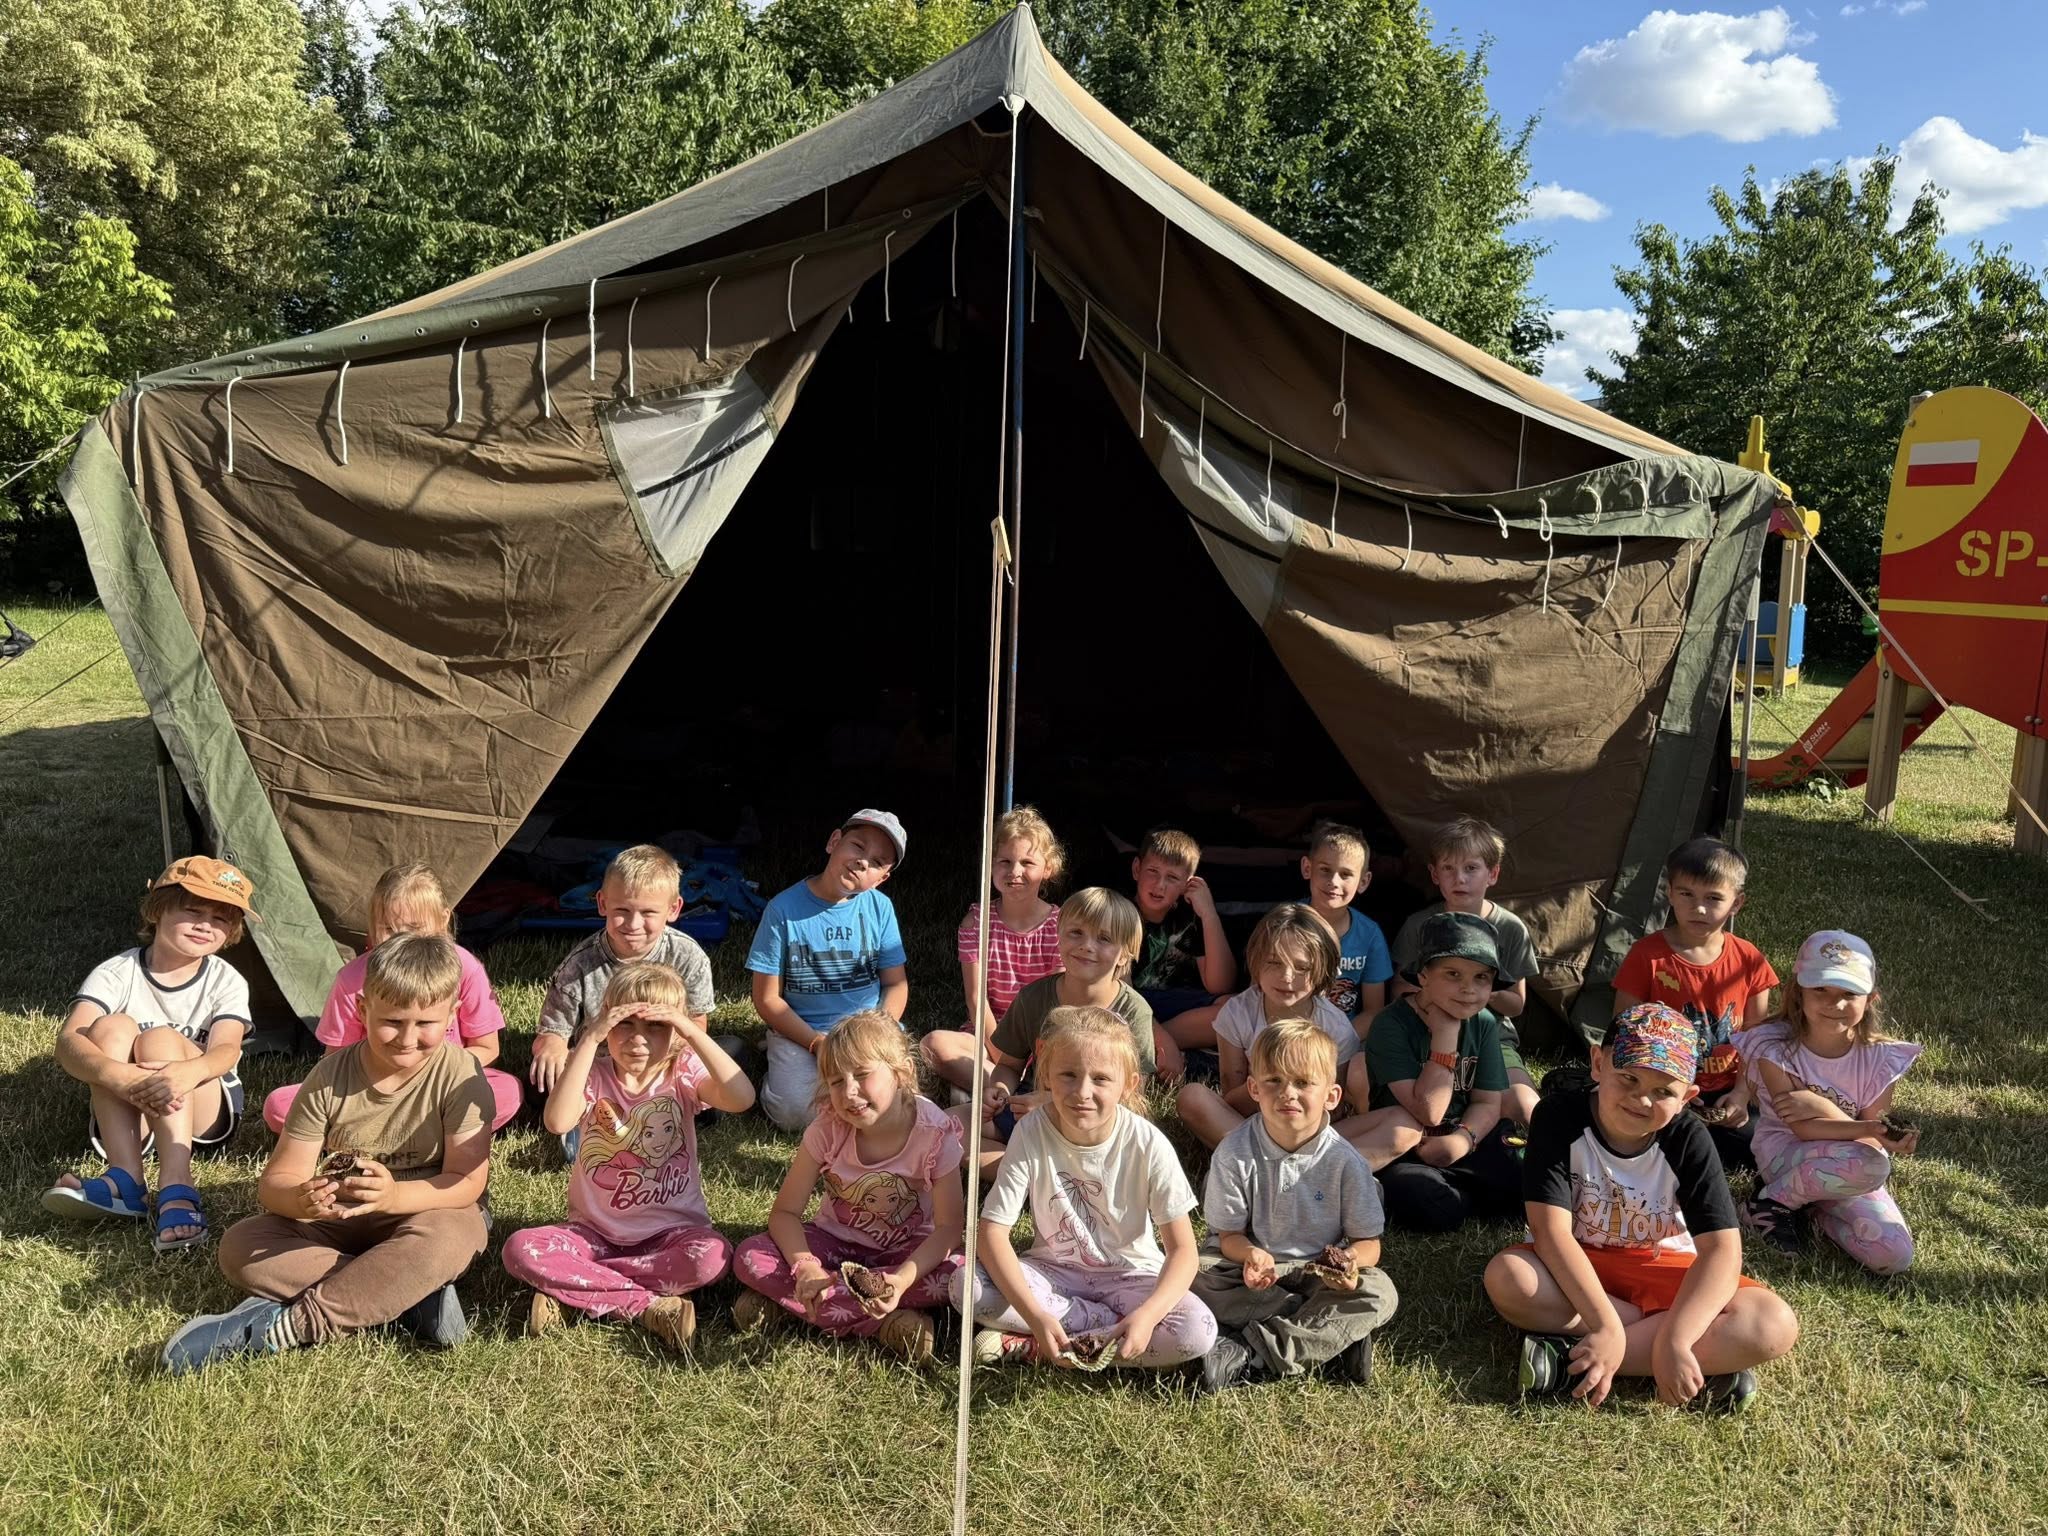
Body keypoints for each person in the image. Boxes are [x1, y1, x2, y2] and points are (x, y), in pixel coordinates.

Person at [160, 934, 496, 1372]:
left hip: (427, 1212)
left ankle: (287, 1327)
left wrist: (395, 1196)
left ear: (451, 1016)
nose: (407, 1038)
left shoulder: (460, 1073)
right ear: (362, 1010)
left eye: (425, 1024)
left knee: (452, 1237)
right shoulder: (328, 1078)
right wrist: (300, 1200)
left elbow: (467, 1182)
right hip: (341, 1219)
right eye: (392, 1021)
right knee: (241, 1245)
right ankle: (407, 1297)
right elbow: (276, 1184)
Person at [1482, 1003, 1799, 1413]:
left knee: (1772, 1324)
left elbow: (1722, 1251)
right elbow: (1551, 1234)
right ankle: (1694, 1360)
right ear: (1598, 1063)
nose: (1642, 1098)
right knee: (1510, 1278)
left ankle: (1565, 1365)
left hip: (1662, 1265)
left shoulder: (1689, 1138)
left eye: (1664, 1091)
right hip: (1576, 1262)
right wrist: (1606, 1323)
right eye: (1629, 1078)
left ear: (1687, 1098)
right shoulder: (1557, 1116)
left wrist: (1677, 1337)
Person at [503, 962, 755, 1351]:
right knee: (520, 1249)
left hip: (672, 1234)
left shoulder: (681, 1071)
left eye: (656, 1026)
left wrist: (691, 1031)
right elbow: (557, 1122)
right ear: (606, 1026)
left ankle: (579, 1289)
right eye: (625, 1024)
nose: (638, 1039)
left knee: (714, 1258)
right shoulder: (592, 1072)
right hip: (594, 1234)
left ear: (674, 1032)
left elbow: (742, 1097)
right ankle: (649, 1306)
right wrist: (589, 1040)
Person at [952, 1005, 1217, 1371]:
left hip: (1130, 1277)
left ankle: (1038, 1347)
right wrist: (1035, 1315)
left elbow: (1184, 1251)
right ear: (1046, 1074)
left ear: (1128, 1085)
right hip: (1053, 1275)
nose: (1082, 1092)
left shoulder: (1147, 1143)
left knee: (1197, 1330)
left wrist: (1147, 1315)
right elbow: (991, 1233)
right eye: (1068, 1074)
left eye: (1101, 1079)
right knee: (965, 1286)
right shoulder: (1031, 1131)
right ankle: (1099, 1336)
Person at [43, 856, 257, 1255]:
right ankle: (125, 1177)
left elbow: (226, 1050)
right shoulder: (116, 972)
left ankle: (177, 1182)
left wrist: (187, 1072)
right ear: (157, 909)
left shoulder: (225, 980)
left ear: (232, 931)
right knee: (108, 1027)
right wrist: (117, 1075)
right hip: (133, 1111)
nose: (205, 925)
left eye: (220, 918)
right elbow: (67, 1042)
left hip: (202, 1110)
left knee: (160, 1039)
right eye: (193, 911)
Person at [733, 1010, 966, 1364]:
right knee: (750, 1256)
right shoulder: (826, 1129)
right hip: (833, 1244)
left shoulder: (935, 1133)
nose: (849, 1092)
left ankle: (794, 1306)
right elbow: (784, 1214)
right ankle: (884, 1325)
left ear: (902, 1072)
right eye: (836, 1081)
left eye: (862, 1074)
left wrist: (901, 1281)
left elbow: (949, 1228)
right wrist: (805, 1267)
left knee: (959, 1277)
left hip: (905, 1253)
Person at [1192, 1021, 1397, 1393]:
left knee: (1379, 1292)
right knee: (1192, 1278)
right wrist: (1251, 1255)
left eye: (1303, 1083)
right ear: (1254, 1088)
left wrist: (1349, 1264)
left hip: (1316, 1272)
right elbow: (1229, 1236)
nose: (1287, 1093)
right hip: (1248, 1272)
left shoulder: (1346, 1162)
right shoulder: (1234, 1152)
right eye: (1274, 1081)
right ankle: (1332, 1341)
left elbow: (1368, 1243)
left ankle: (1250, 1353)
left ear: (1332, 1095)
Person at [262, 863, 521, 1135]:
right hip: (370, 1089)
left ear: (443, 920)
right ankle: (421, 1132)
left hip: (442, 1086)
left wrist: (432, 1074)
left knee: (507, 1090)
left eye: (415, 927)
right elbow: (335, 1062)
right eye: (388, 928)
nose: (402, 939)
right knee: (280, 1105)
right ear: (372, 926)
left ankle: (377, 1133)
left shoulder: (466, 969)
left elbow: (486, 1048)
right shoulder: (352, 980)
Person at [1740, 931, 1920, 1274]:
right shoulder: (1775, 1049)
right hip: (1786, 1156)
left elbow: (1873, 1138)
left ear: (1870, 999)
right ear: (1798, 992)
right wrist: (1867, 1129)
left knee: (1894, 1256)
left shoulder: (1881, 1058)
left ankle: (1811, 1209)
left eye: (1849, 994)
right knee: (1873, 1166)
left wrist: (1822, 1107)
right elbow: (1803, 1129)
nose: (1834, 1004)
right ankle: (1768, 1201)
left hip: (1849, 1168)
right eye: (1820, 989)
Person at [1346, 912, 1521, 1232]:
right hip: (1413, 1146)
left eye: (1481, 977)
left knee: (1526, 1173)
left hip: (1468, 1134)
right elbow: (1428, 1111)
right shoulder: (1391, 1024)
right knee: (1417, 1194)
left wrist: (1463, 1140)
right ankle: (1469, 1198)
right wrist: (1444, 1037)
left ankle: (1473, 1195)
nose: (1468, 989)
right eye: (1453, 974)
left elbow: (1487, 1102)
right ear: (1423, 975)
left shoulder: (1483, 1023)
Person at [1612, 837, 1778, 1172]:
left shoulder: (1750, 960)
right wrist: (1668, 1090)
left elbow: (1758, 1040)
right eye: (1687, 894)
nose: (1699, 908)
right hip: (1659, 1085)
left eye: (1713, 898)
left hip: (1729, 1088)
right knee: (1645, 1142)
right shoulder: (1646, 955)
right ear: (1670, 893)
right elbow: (1624, 1030)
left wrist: (1742, 1094)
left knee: (1765, 1149)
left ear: (1736, 903)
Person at [747, 809, 910, 1130]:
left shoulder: (881, 908)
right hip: (802, 1033)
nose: (863, 862)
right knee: (795, 1113)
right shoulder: (782, 909)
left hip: (866, 1032)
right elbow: (767, 999)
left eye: (877, 862)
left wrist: (878, 1030)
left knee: (900, 1101)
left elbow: (895, 984)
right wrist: (816, 1044)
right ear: (834, 841)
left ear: (882, 879)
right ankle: (772, 1072)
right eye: (858, 846)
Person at [974, 888, 1156, 1169]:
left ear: (1124, 955)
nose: (1086, 945)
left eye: (1104, 938)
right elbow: (1009, 1065)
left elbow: (1131, 1096)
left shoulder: (1134, 1011)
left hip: (1095, 1119)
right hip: (1028, 1108)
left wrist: (1054, 1106)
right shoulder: (1033, 998)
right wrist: (998, 1090)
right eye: (1076, 933)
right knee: (954, 1127)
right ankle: (1046, 1172)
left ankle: (1040, 1171)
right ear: (1058, 936)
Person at [1385, 816, 1540, 1127]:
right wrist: (1438, 1000)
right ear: (1434, 874)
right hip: (1425, 1037)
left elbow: (1516, 1004)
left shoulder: (1510, 928)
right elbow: (1399, 990)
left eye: (1471, 868)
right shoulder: (1419, 925)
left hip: (1491, 1041)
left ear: (1492, 874)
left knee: (1528, 1109)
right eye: (1448, 868)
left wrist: (1479, 993)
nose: (1460, 879)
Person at [531, 845, 717, 1096]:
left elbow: (697, 1023)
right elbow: (553, 1031)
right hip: (599, 1069)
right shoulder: (579, 965)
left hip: (661, 1063)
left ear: (673, 909)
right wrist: (551, 1048)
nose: (633, 924)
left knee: (721, 1058)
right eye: (622, 911)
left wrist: (660, 1056)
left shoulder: (688, 956)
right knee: (540, 1083)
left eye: (648, 912)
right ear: (602, 903)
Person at [1177, 904, 1357, 1150]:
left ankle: (1268, 1159)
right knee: (1192, 1097)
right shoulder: (1237, 1014)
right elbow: (1232, 1104)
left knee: (1397, 1125)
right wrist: (1274, 1076)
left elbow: (1334, 1109)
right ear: (1256, 961)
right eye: (1274, 962)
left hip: (1308, 1131)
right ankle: (1267, 1158)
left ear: (1321, 970)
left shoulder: (1336, 1028)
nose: (1286, 976)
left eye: (1302, 967)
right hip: (1252, 1125)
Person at [922, 805, 1065, 1099]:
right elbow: (976, 999)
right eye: (1005, 861)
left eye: (1027, 862)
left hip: (1041, 1039)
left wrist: (1029, 1056)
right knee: (933, 1045)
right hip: (988, 1036)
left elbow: (1057, 1002)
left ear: (1048, 868)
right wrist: (1002, 1058)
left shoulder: (1061, 926)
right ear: (990, 864)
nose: (1015, 872)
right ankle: (1010, 1090)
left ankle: (990, 1088)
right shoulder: (975, 923)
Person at [1127, 827, 1234, 1059]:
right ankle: (1155, 1044)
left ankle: (1145, 1046)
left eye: (1172, 877)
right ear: (1137, 869)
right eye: (1153, 871)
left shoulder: (1188, 917)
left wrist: (1209, 914)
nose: (1160, 885)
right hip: (1130, 1005)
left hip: (1174, 1007)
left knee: (1233, 1008)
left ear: (1187, 884)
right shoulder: (1119, 912)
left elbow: (1219, 985)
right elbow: (1116, 989)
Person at [1301, 822, 1392, 1024]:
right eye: (1325, 870)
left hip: (1345, 1035)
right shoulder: (1283, 923)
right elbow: (1260, 993)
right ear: (1307, 868)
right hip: (1288, 1031)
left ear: (1363, 882)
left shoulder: (1370, 934)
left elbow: (1373, 1011)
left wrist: (1340, 1040)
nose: (1334, 881)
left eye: (1346, 874)